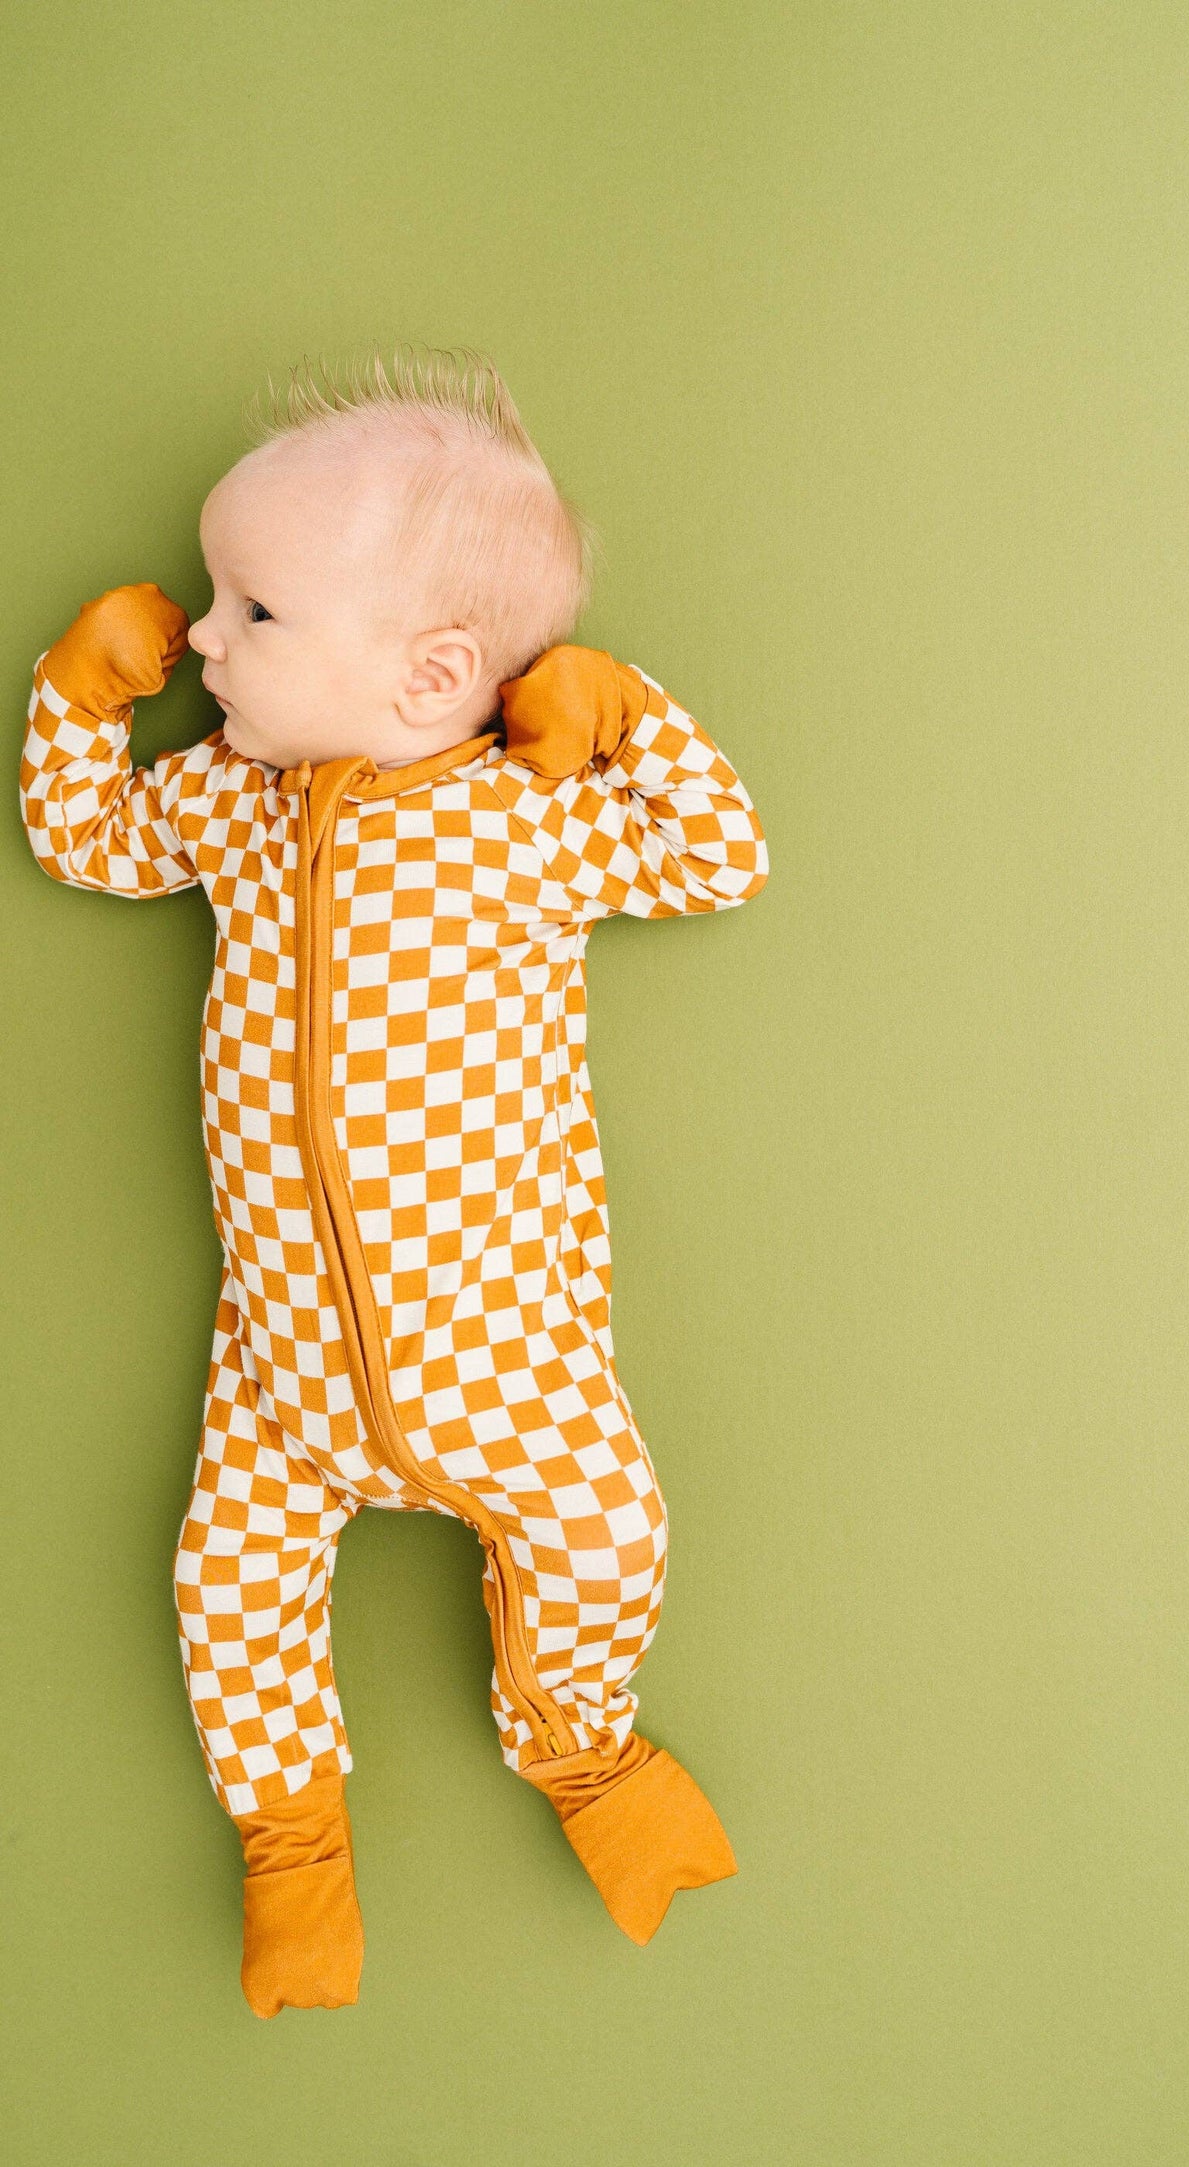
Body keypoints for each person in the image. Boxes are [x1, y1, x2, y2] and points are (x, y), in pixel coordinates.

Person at [19, 347, 769, 2016]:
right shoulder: (228, 802)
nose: (206, 638)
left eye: (253, 611)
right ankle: (291, 1848)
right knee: (224, 1593)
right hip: (282, 1373)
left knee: (607, 1537)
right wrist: (76, 702)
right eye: (214, 600)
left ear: (435, 673)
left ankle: (583, 1752)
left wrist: (623, 717)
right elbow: (89, 842)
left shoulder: (525, 817)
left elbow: (720, 856)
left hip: (507, 1357)